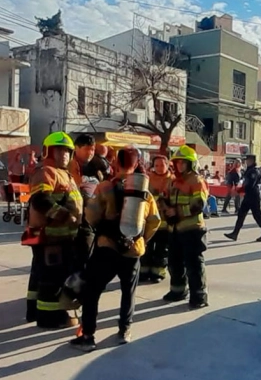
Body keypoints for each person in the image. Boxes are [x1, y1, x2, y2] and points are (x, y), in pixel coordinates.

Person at [70, 147, 161, 352]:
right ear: (138, 164)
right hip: (132, 250)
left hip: (107, 247)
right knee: (128, 292)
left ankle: (88, 336)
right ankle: (124, 331)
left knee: (93, 291)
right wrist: (141, 240)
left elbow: (91, 215)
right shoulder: (144, 193)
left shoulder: (105, 187)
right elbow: (155, 220)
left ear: (116, 163)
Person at [24, 132, 83, 328]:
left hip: (61, 237)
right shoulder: (46, 171)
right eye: (59, 150)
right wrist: (66, 215)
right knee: (52, 279)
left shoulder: (63, 172)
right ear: (49, 151)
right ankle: (50, 318)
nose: (64, 154)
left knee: (42, 275)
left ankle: (34, 310)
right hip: (51, 237)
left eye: (67, 151)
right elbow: (41, 200)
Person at [160, 145, 209, 309]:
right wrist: (165, 209)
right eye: (178, 163)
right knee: (174, 263)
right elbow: (163, 197)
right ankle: (178, 290)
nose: (180, 166)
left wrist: (177, 212)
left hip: (192, 229)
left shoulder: (197, 180)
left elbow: (199, 205)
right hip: (174, 229)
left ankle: (199, 295)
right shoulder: (172, 181)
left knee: (194, 264)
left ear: (191, 164)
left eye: (183, 163)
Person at [141, 155, 173, 283]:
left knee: (162, 249)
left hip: (165, 222)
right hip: (150, 221)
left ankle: (158, 273)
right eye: (157, 165)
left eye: (162, 165)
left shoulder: (172, 179)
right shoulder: (148, 178)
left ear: (167, 165)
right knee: (146, 248)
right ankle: (143, 272)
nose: (159, 168)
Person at [224, 154, 261, 242]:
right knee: (241, 214)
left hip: (253, 196)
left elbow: (250, 185)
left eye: (247, 160)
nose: (246, 162)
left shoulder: (254, 171)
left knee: (257, 215)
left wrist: (239, 190)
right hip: (248, 196)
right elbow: (245, 182)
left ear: (252, 161)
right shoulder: (249, 170)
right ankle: (235, 233)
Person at [69, 134, 97, 270]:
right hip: (77, 221)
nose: (90, 153)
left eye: (92, 149)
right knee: (81, 258)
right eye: (87, 149)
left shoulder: (93, 166)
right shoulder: (71, 164)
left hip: (90, 218)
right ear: (77, 148)